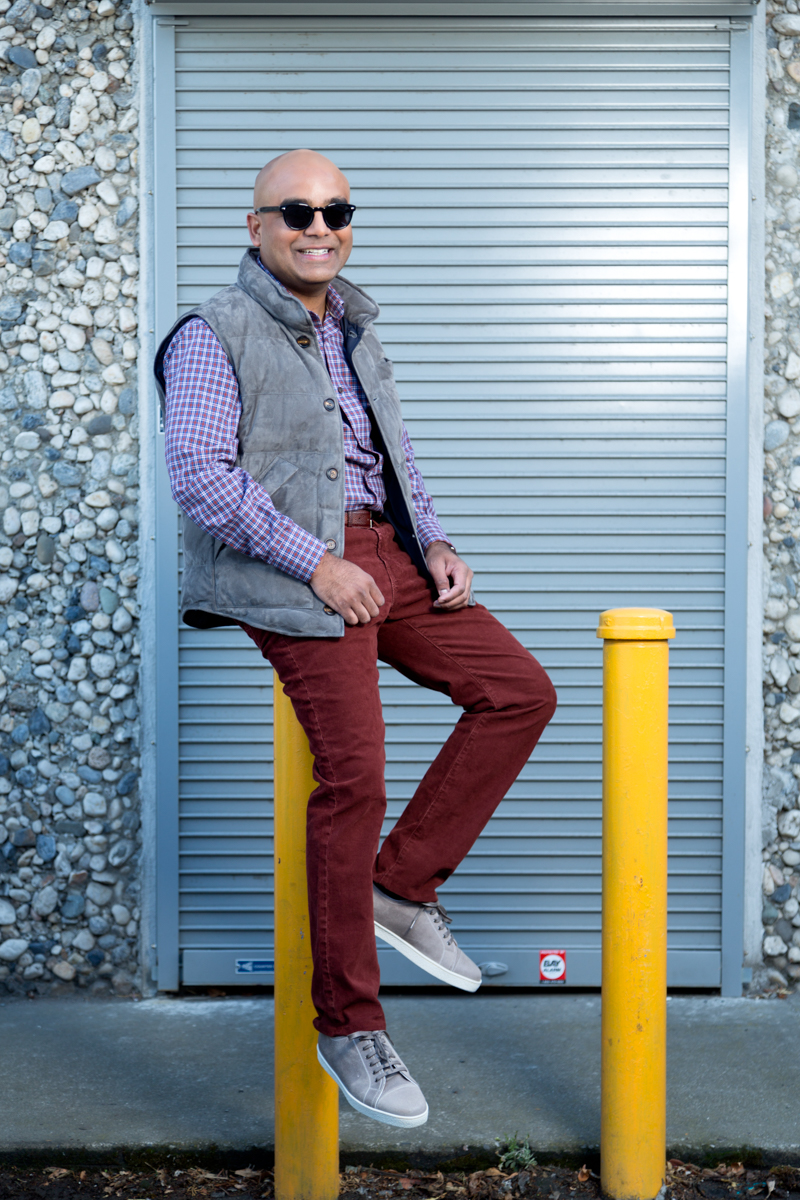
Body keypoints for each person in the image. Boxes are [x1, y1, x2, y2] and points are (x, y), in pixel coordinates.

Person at [155, 149, 557, 1129]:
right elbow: (200, 474)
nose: (318, 225)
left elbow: (392, 449)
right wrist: (315, 563)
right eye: (295, 210)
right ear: (255, 226)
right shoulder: (215, 330)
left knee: (518, 692)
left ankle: (401, 884)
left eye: (336, 210)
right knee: (356, 777)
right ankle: (347, 1024)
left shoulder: (356, 325)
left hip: (390, 556)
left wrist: (435, 541)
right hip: (292, 570)